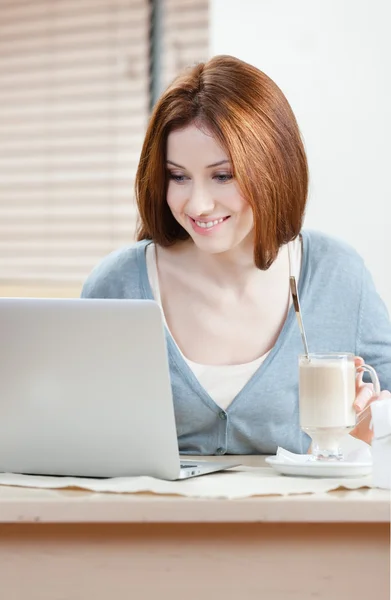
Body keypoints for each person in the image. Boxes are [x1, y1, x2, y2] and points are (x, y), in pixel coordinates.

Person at [81, 55, 391, 456]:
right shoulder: (118, 283)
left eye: (222, 175)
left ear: (274, 168)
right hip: (152, 517)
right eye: (178, 176)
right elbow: (78, 429)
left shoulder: (337, 276)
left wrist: (375, 418)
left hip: (301, 519)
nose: (198, 204)